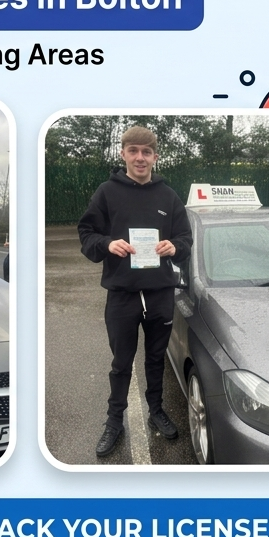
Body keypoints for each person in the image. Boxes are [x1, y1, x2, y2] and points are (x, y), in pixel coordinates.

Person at [77, 126, 192, 457]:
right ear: (123, 153)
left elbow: (185, 239)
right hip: (122, 295)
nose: (140, 158)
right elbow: (86, 232)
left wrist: (176, 246)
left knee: (156, 359)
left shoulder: (168, 197)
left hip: (159, 294)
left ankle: (156, 411)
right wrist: (106, 243)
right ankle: (115, 420)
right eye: (133, 151)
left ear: (155, 156)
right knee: (121, 362)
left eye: (146, 152)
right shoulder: (107, 192)